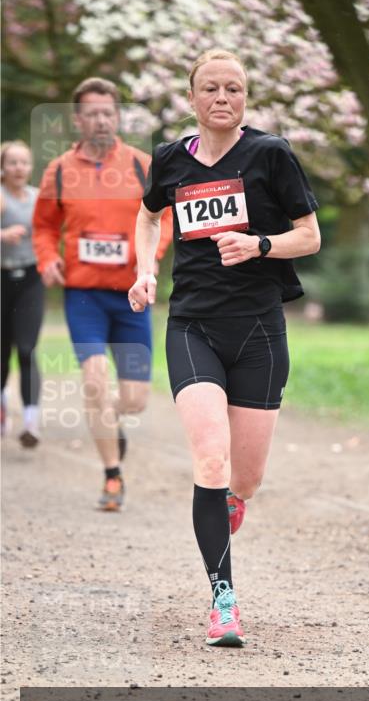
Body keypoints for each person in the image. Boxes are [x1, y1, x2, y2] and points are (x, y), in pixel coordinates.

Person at [129, 48, 320, 647]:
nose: (222, 98)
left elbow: (309, 237)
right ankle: (223, 602)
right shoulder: (169, 161)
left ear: (245, 98)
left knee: (246, 478)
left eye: (233, 89)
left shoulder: (270, 154)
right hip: (193, 326)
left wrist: (259, 245)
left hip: (260, 329)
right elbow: (147, 217)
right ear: (192, 98)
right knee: (209, 461)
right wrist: (145, 271)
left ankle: (230, 504)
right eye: (210, 88)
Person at [32, 77, 172, 511]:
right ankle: (112, 476)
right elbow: (44, 226)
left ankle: (109, 422)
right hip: (84, 297)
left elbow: (163, 219)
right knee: (94, 384)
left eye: (108, 113)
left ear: (118, 117)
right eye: (91, 113)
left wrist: (147, 263)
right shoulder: (59, 170)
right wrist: (45, 259)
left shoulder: (141, 166)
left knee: (133, 399)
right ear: (78, 119)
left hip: (130, 297)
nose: (100, 120)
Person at [1, 141, 45, 447]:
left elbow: (53, 232)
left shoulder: (37, 198)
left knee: (27, 349)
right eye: (12, 162)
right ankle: (3, 407)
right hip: (1, 278)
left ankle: (31, 422)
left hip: (31, 278)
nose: (18, 168)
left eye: (24, 162)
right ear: (3, 167)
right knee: (2, 353)